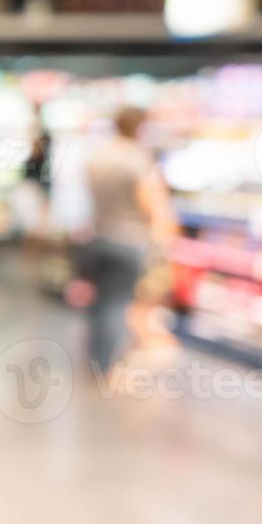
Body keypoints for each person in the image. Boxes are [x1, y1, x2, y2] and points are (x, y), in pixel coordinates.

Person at [79, 106, 174, 377]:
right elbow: (152, 204)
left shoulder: (98, 156)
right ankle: (107, 365)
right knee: (118, 303)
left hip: (98, 236)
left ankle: (96, 357)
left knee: (100, 303)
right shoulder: (137, 159)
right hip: (129, 240)